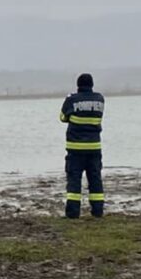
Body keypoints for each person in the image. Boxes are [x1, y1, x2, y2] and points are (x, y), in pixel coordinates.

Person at [60, 73, 105, 218]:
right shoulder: (100, 99)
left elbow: (62, 117)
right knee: (95, 179)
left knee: (74, 180)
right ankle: (97, 211)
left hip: (75, 148)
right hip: (94, 147)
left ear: (78, 85)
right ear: (92, 85)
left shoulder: (71, 99)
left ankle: (73, 213)